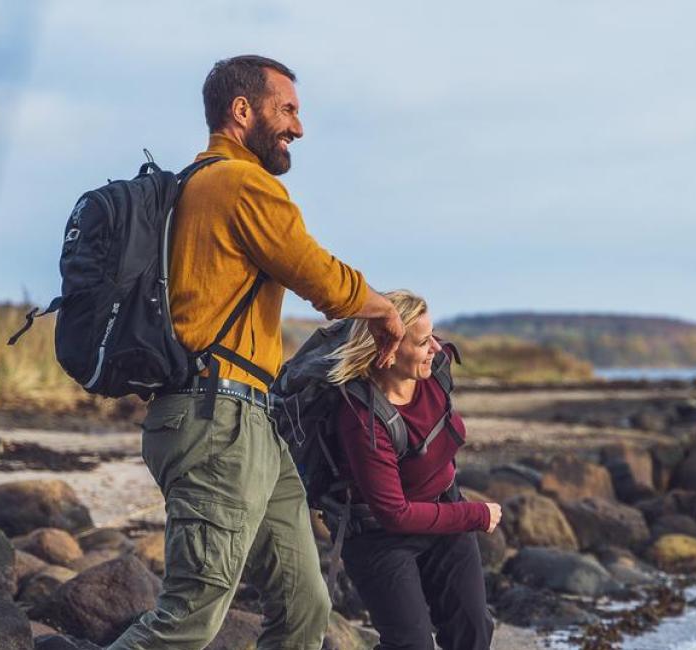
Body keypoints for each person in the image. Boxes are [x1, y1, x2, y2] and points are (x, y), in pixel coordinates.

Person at [109, 55, 405, 650]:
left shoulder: (197, 183)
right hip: (215, 421)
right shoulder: (238, 183)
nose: (299, 127)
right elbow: (318, 275)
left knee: (305, 606)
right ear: (241, 111)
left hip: (251, 423)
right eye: (288, 109)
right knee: (189, 619)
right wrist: (385, 311)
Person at [326, 290, 501, 650]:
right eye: (423, 342)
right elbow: (395, 515)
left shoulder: (435, 372)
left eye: (433, 336)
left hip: (443, 507)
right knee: (411, 645)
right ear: (388, 348)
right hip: (379, 535)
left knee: (474, 630)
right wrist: (476, 514)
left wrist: (458, 508)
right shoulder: (362, 418)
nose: (436, 348)